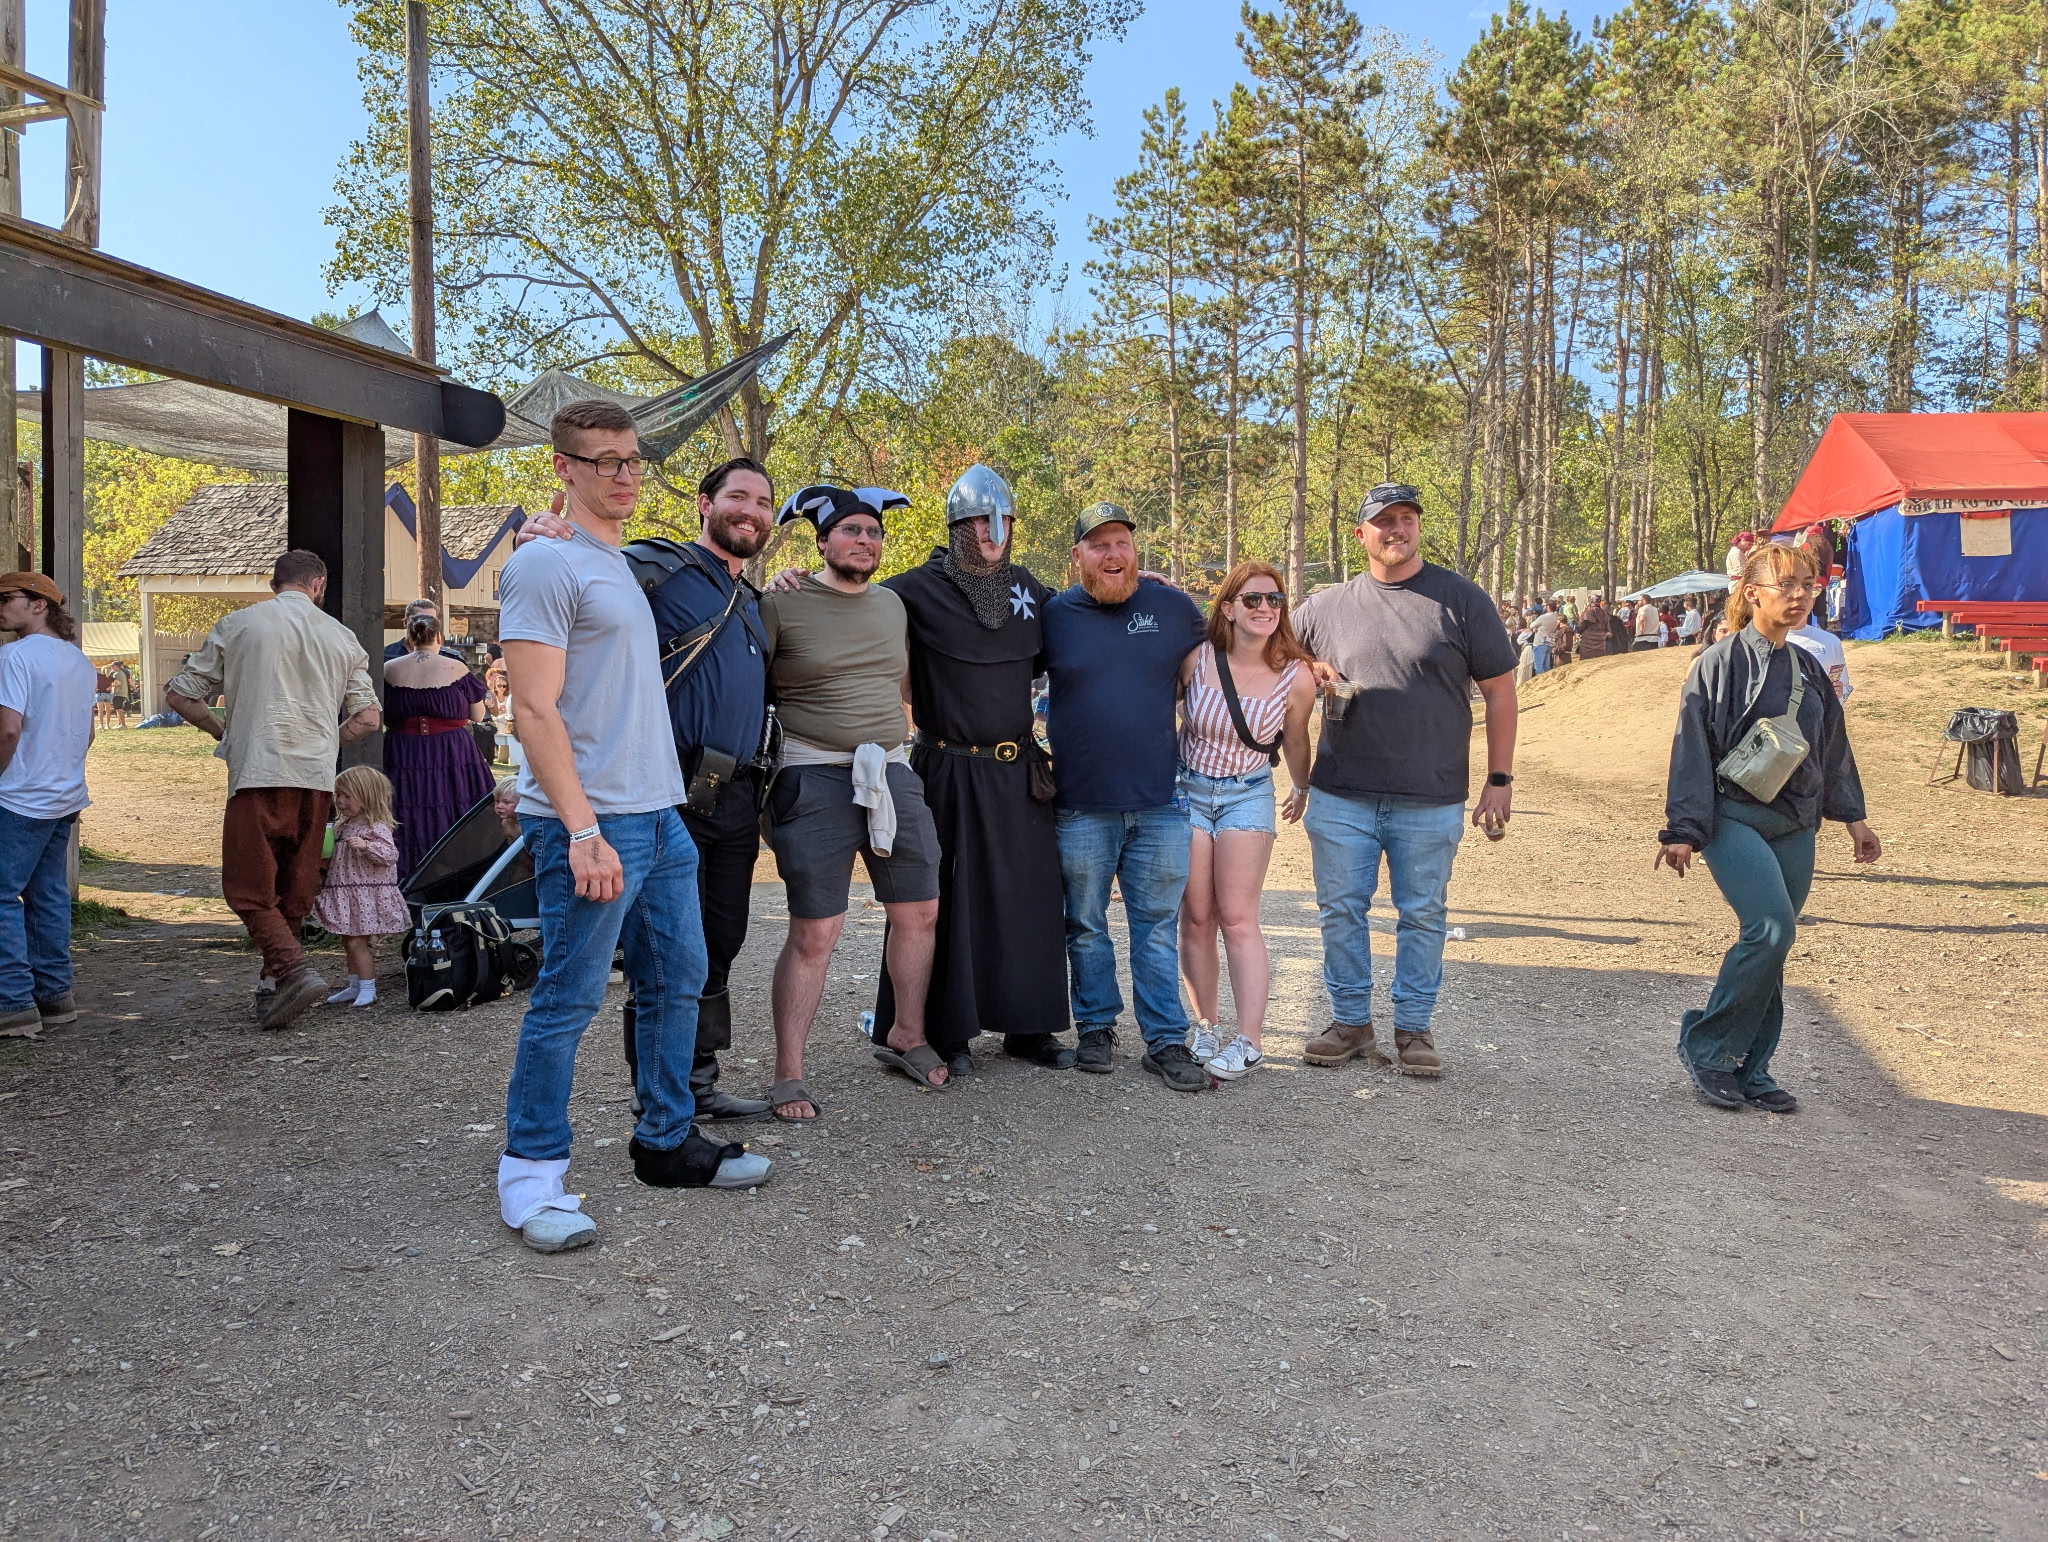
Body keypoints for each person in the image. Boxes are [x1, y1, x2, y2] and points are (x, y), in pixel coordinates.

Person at [496, 399, 769, 1256]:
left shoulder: (614, 561)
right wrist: (581, 832)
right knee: (568, 1000)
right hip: (591, 822)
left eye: (630, 460)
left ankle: (665, 1142)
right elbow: (531, 711)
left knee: (677, 979)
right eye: (601, 460)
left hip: (661, 816)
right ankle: (530, 1175)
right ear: (564, 469)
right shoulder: (545, 566)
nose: (620, 474)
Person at [515, 455, 787, 1124]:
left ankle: (697, 1080)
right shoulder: (653, 568)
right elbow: (583, 569)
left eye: (763, 501)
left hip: (733, 793)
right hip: (658, 792)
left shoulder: (753, 602)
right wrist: (545, 529)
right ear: (704, 502)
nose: (751, 510)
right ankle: (657, 1094)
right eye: (738, 496)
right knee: (656, 957)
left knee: (713, 946)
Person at [1293, 483, 1518, 1078]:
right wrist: (1306, 664)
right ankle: (1349, 1023)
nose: (1397, 529)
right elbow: (1267, 651)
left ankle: (1414, 1029)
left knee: (1422, 914)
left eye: (1407, 519)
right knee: (1341, 909)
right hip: (1341, 790)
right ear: (1360, 534)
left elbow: (1500, 692)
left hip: (1431, 794)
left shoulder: (1460, 599)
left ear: (1418, 527)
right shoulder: (1326, 606)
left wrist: (1500, 776)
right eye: (1383, 521)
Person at [1658, 543, 1880, 1113]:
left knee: (1775, 949)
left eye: (1808, 585)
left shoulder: (1808, 665)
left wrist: (1854, 819)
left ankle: (1751, 1067)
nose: (1802, 595)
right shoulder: (1718, 662)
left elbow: (1833, 749)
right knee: (1770, 928)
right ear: (1751, 592)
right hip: (1732, 817)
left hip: (1795, 822)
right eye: (1788, 586)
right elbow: (1690, 749)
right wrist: (1683, 828)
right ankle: (1708, 1047)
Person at [874, 465, 1068, 1075]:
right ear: (958, 526)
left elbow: (1086, 623)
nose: (994, 531)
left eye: (1004, 519)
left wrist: (1143, 590)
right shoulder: (912, 590)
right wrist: (792, 580)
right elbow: (850, 605)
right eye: (981, 520)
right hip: (946, 769)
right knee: (945, 899)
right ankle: (946, 1028)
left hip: (1016, 771)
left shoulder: (1029, 590)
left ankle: (1028, 1028)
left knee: (1027, 897)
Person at [760, 483, 945, 1118]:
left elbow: (903, 682)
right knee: (817, 930)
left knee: (919, 910)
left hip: (891, 772)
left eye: (872, 532)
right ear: (821, 541)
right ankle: (789, 1071)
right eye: (850, 531)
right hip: (812, 775)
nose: (864, 541)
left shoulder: (892, 605)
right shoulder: (781, 601)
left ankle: (906, 1034)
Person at [168, 551, 381, 1029]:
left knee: (247, 887)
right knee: (295, 886)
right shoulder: (342, 637)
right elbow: (368, 717)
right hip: (314, 777)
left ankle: (291, 969)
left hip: (257, 770)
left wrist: (224, 733)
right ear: (319, 585)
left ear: (274, 584)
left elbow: (181, 694)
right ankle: (274, 988)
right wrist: (329, 739)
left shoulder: (239, 624)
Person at [1040, 503, 1209, 1091]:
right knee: (1085, 923)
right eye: (1099, 545)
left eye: (1122, 543)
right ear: (1078, 557)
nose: (1114, 554)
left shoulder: (1174, 608)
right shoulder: (1053, 615)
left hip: (1161, 802)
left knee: (1156, 925)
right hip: (1081, 802)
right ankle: (1095, 1028)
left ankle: (1165, 1040)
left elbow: (1229, 668)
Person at [1176, 560, 1316, 1081]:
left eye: (1274, 600)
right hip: (1187, 791)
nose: (1265, 608)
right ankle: (1205, 1024)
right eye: (1253, 599)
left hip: (1246, 794)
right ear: (1229, 608)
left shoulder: (1296, 676)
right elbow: (1167, 718)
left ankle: (1250, 1040)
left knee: (1236, 917)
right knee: (1195, 916)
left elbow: (1297, 740)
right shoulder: (1198, 660)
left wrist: (1301, 786)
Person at [0, 573, 96, 1035]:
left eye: (7, 598)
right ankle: (55, 998)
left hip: (17, 795)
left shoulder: (14, 656)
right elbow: (90, 733)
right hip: (64, 794)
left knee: (1, 895)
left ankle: (13, 1003)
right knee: (48, 895)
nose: (0, 606)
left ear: (40, 605)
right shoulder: (78, 662)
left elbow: (8, 729)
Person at [383, 608, 496, 880]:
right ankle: (457, 873)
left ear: (409, 637)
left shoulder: (388, 669)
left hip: (403, 750)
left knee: (407, 806)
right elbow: (477, 715)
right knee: (456, 804)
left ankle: (405, 876)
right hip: (452, 752)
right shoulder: (457, 668)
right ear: (440, 637)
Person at [312, 764, 409, 1008]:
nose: (340, 801)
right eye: (339, 795)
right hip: (345, 890)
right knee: (348, 941)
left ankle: (368, 987)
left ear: (366, 797)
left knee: (357, 942)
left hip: (365, 892)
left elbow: (389, 855)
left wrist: (367, 847)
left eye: (347, 796)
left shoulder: (374, 827)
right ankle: (354, 985)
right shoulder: (343, 826)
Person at [1789, 612, 1852, 699]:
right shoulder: (1766, 640)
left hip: (1820, 710)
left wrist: (1839, 693)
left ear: (1813, 602)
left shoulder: (1830, 641)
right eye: (1790, 598)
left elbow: (1844, 687)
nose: (1796, 602)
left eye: (1803, 598)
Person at [383, 598, 465, 663]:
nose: (425, 624)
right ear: (405, 622)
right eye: (419, 620)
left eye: (431, 620)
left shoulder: (452, 658)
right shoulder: (385, 655)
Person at [1529, 602, 1566, 675]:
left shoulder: (1543, 617)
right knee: (1547, 666)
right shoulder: (1556, 616)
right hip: (1550, 642)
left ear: (1548, 607)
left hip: (1540, 642)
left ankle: (1540, 682)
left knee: (1539, 666)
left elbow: (1531, 625)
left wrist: (1536, 627)